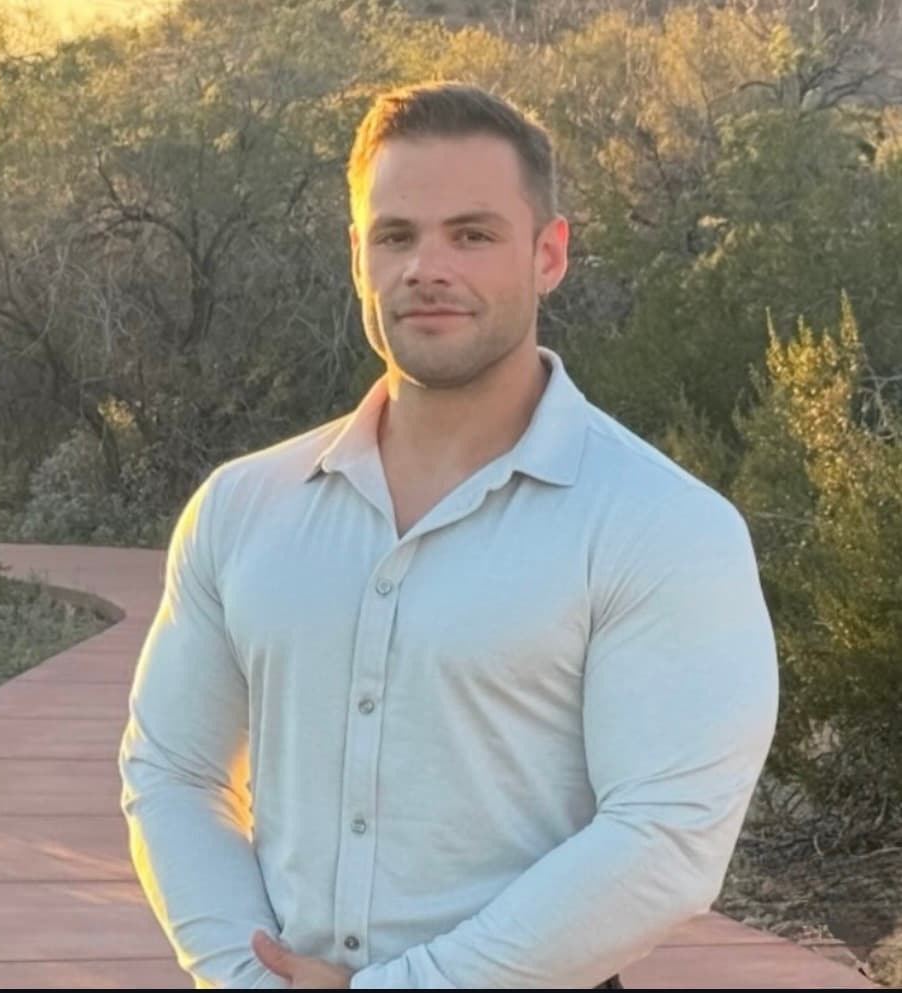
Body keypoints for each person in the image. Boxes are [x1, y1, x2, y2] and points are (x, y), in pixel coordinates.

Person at [118, 81, 779, 989]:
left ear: (549, 254)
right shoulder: (243, 506)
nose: (427, 267)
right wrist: (245, 975)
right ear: (358, 256)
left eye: (472, 235)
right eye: (396, 235)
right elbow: (175, 771)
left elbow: (667, 834)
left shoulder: (661, 524)